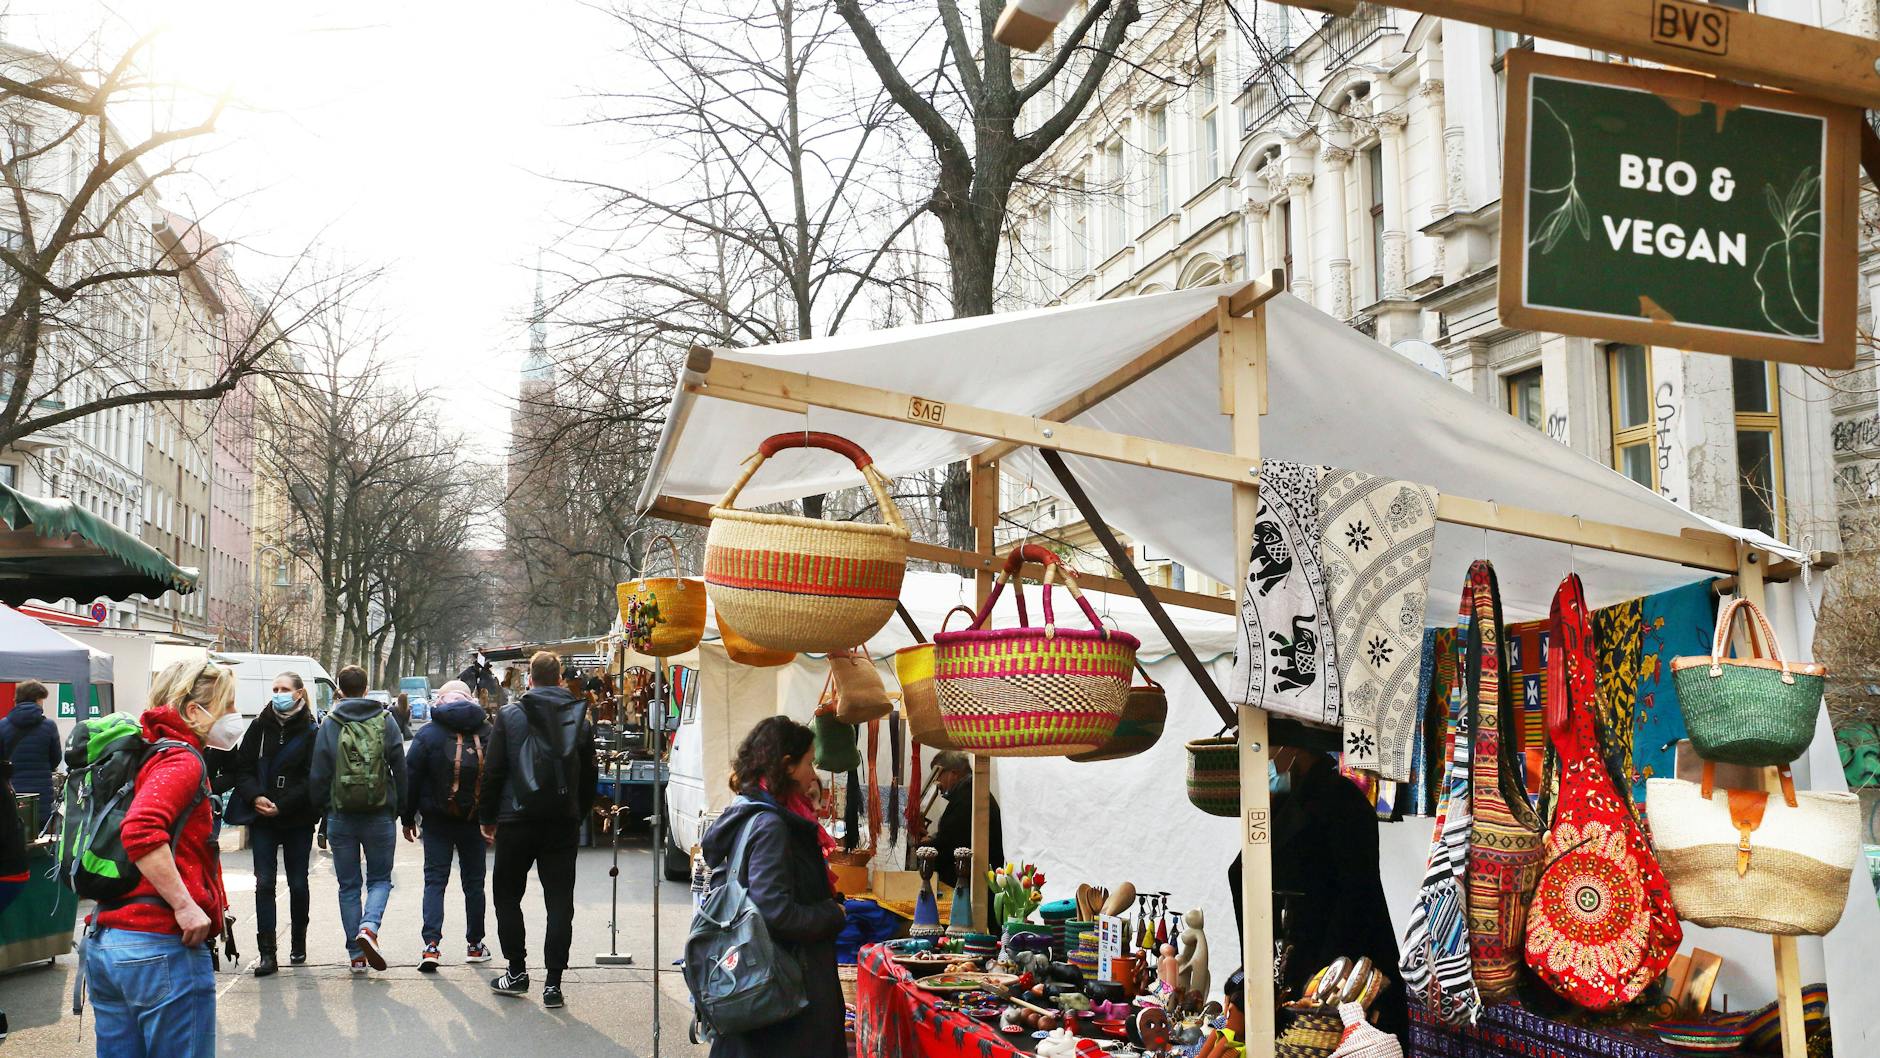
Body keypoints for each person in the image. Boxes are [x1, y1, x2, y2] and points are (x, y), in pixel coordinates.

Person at [82, 659, 236, 1058]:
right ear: (192, 711)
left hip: (109, 941)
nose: (234, 717)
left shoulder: (146, 752)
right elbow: (141, 830)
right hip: (159, 946)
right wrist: (185, 905)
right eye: (228, 706)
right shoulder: (181, 759)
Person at [1228, 746, 1407, 1039]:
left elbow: (1355, 895)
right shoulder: (1295, 798)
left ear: (1295, 747)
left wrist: (1312, 980)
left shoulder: (1335, 799)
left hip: (1343, 975)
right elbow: (1244, 873)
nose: (1266, 755)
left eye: (1270, 744)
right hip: (1314, 965)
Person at [699, 716, 846, 1057]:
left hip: (771, 997)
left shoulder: (753, 814)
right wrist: (832, 913)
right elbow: (775, 912)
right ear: (787, 765)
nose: (813, 773)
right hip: (787, 1002)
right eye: (808, 762)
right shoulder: (771, 826)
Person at [479, 651, 596, 1009]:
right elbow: (589, 774)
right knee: (559, 901)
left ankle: (516, 970)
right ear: (560, 678)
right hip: (561, 821)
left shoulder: (511, 715)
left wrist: (487, 816)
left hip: (516, 820)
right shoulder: (580, 719)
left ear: (529, 678)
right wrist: (579, 812)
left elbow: (495, 770)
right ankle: (553, 985)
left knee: (506, 895)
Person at [308, 664, 408, 975]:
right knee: (380, 879)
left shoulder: (331, 722)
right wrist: (400, 809)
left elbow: (319, 771)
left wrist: (325, 809)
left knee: (348, 886)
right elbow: (400, 767)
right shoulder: (386, 719)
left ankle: (356, 954)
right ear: (366, 689)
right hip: (379, 813)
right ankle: (369, 927)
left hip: (341, 814)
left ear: (338, 688)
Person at [231, 672, 322, 975]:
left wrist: (282, 805)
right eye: (275, 689)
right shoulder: (259, 725)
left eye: (284, 689)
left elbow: (314, 778)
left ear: (299, 694)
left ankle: (299, 941)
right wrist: (255, 797)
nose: (278, 693)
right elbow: (241, 768)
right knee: (265, 883)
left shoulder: (311, 730)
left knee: (298, 883)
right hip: (262, 817)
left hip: (296, 817)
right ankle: (267, 953)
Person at [401, 679, 493, 973]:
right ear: (469, 700)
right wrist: (493, 819)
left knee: (435, 881)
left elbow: (410, 777)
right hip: (474, 821)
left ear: (441, 701)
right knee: (474, 884)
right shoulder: (488, 731)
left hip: (437, 821)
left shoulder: (429, 733)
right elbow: (498, 777)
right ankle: (475, 945)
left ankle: (431, 946)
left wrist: (406, 817)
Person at [926, 750, 1004, 892]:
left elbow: (950, 844)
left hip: (974, 886)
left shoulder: (967, 796)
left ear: (953, 773)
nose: (937, 785)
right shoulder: (970, 792)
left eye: (938, 776)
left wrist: (926, 845)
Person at [0, 681, 60, 828]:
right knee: (42, 842)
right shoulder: (49, 726)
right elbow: (56, 760)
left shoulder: (2, 725)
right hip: (42, 799)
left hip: (12, 798)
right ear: (37, 699)